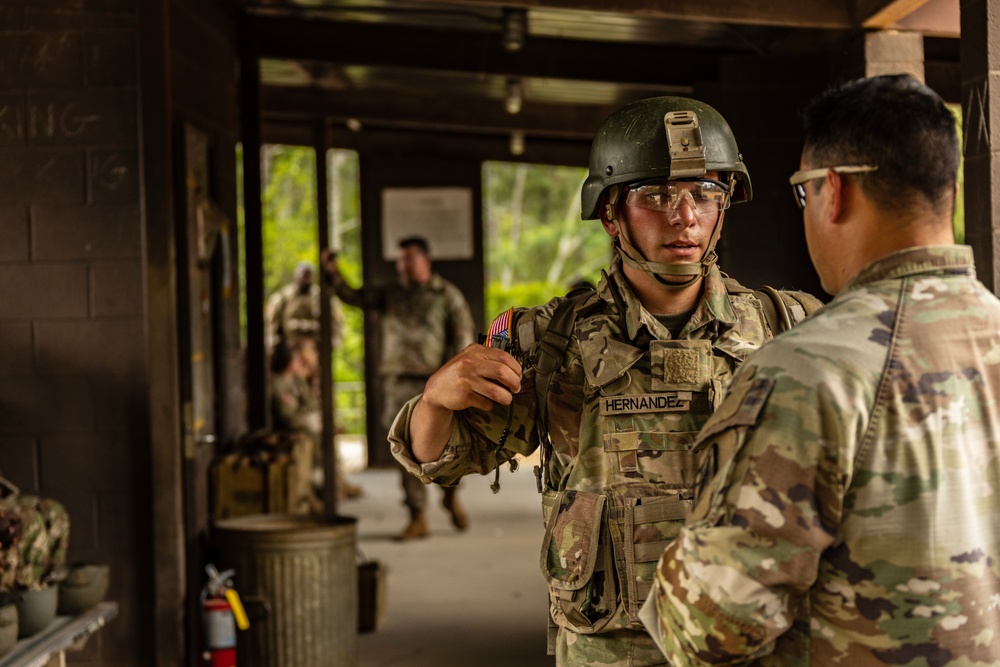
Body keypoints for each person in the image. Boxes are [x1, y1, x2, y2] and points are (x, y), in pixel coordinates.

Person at [387, 96, 823, 666]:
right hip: (612, 650)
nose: (684, 216)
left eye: (705, 194)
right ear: (613, 213)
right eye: (658, 196)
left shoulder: (788, 326)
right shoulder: (549, 340)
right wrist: (435, 400)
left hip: (753, 645)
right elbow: (443, 457)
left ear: (725, 206)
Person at [641, 74, 1000, 666]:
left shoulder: (806, 370)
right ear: (949, 191)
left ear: (833, 191)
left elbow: (707, 629)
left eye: (802, 194)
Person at [321, 236, 478, 540]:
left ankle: (449, 494)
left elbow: (462, 339)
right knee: (405, 449)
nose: (402, 266)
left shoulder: (446, 295)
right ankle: (417, 514)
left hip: (436, 383)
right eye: (399, 261)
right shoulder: (390, 293)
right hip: (397, 382)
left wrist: (459, 381)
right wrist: (333, 274)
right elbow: (353, 296)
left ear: (425, 260)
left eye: (408, 260)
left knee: (450, 447)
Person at [264, 260, 344, 355]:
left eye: (308, 275)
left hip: (316, 350)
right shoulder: (283, 298)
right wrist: (275, 345)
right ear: (296, 275)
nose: (305, 278)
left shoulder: (322, 298)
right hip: (290, 350)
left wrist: (333, 343)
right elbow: (272, 323)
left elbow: (336, 321)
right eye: (303, 274)